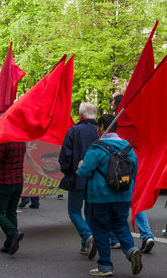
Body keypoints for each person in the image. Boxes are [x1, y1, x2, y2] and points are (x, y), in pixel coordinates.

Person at [77, 114, 142, 276]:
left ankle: (105, 266)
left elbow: (85, 171)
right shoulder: (128, 148)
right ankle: (131, 250)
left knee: (100, 229)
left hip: (100, 196)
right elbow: (134, 170)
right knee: (120, 225)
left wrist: (80, 166)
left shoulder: (96, 147)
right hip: (123, 195)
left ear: (101, 127)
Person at [111, 94, 155, 254]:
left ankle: (114, 238)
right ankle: (147, 235)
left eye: (112, 104)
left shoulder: (116, 122)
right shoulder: (136, 119)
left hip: (120, 165)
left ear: (117, 106)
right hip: (137, 161)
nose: (111, 107)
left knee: (116, 200)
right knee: (136, 200)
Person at [59, 102, 98, 258]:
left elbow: (65, 157)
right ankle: (86, 244)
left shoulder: (74, 131)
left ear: (81, 115)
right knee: (89, 212)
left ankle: (88, 236)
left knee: (74, 211)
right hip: (95, 180)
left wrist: (66, 171)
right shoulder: (100, 131)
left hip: (77, 178)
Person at [0, 141, 26, 255]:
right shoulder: (21, 140)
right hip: (18, 181)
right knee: (11, 212)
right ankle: (9, 244)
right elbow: (7, 158)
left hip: (4, 182)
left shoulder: (3, 142)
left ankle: (13, 233)